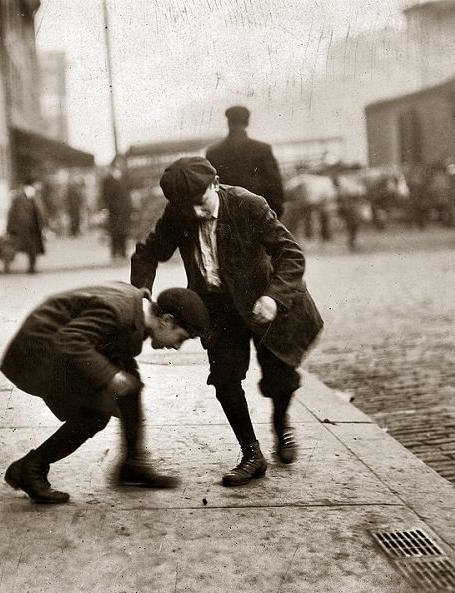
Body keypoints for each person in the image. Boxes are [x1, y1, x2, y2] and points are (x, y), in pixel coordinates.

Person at [131, 156, 323, 488]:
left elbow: (290, 254)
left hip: (265, 301)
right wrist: (142, 294)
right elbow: (147, 253)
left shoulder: (249, 205)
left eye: (200, 202)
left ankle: (281, 423)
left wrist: (273, 298)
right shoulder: (180, 212)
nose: (195, 212)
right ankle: (252, 454)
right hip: (219, 309)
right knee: (224, 378)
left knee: (280, 374)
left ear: (215, 183)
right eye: (186, 206)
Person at [0, 283, 211, 504]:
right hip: (39, 351)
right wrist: (110, 376)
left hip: (57, 341)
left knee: (130, 384)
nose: (177, 347)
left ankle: (133, 464)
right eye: (181, 337)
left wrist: (117, 376)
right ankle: (30, 467)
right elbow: (70, 340)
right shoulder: (117, 312)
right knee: (96, 413)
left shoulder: (136, 312)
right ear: (166, 321)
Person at [206, 105, 285, 219]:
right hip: (259, 213)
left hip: (226, 216)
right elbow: (274, 185)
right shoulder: (262, 149)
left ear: (228, 122)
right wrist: (274, 214)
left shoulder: (213, 152)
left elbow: (210, 186)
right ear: (247, 122)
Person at [5, 173, 46, 273]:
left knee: (32, 248)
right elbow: (13, 213)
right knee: (15, 248)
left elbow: (40, 211)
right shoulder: (20, 197)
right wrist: (10, 228)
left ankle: (32, 267)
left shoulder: (34, 196)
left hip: (33, 227)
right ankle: (8, 266)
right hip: (22, 228)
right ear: (32, 185)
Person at [101, 157, 134, 260]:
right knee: (115, 232)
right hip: (115, 210)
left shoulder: (124, 177)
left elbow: (128, 193)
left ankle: (123, 252)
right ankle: (115, 253)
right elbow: (106, 195)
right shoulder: (108, 179)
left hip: (124, 210)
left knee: (124, 231)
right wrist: (110, 207)